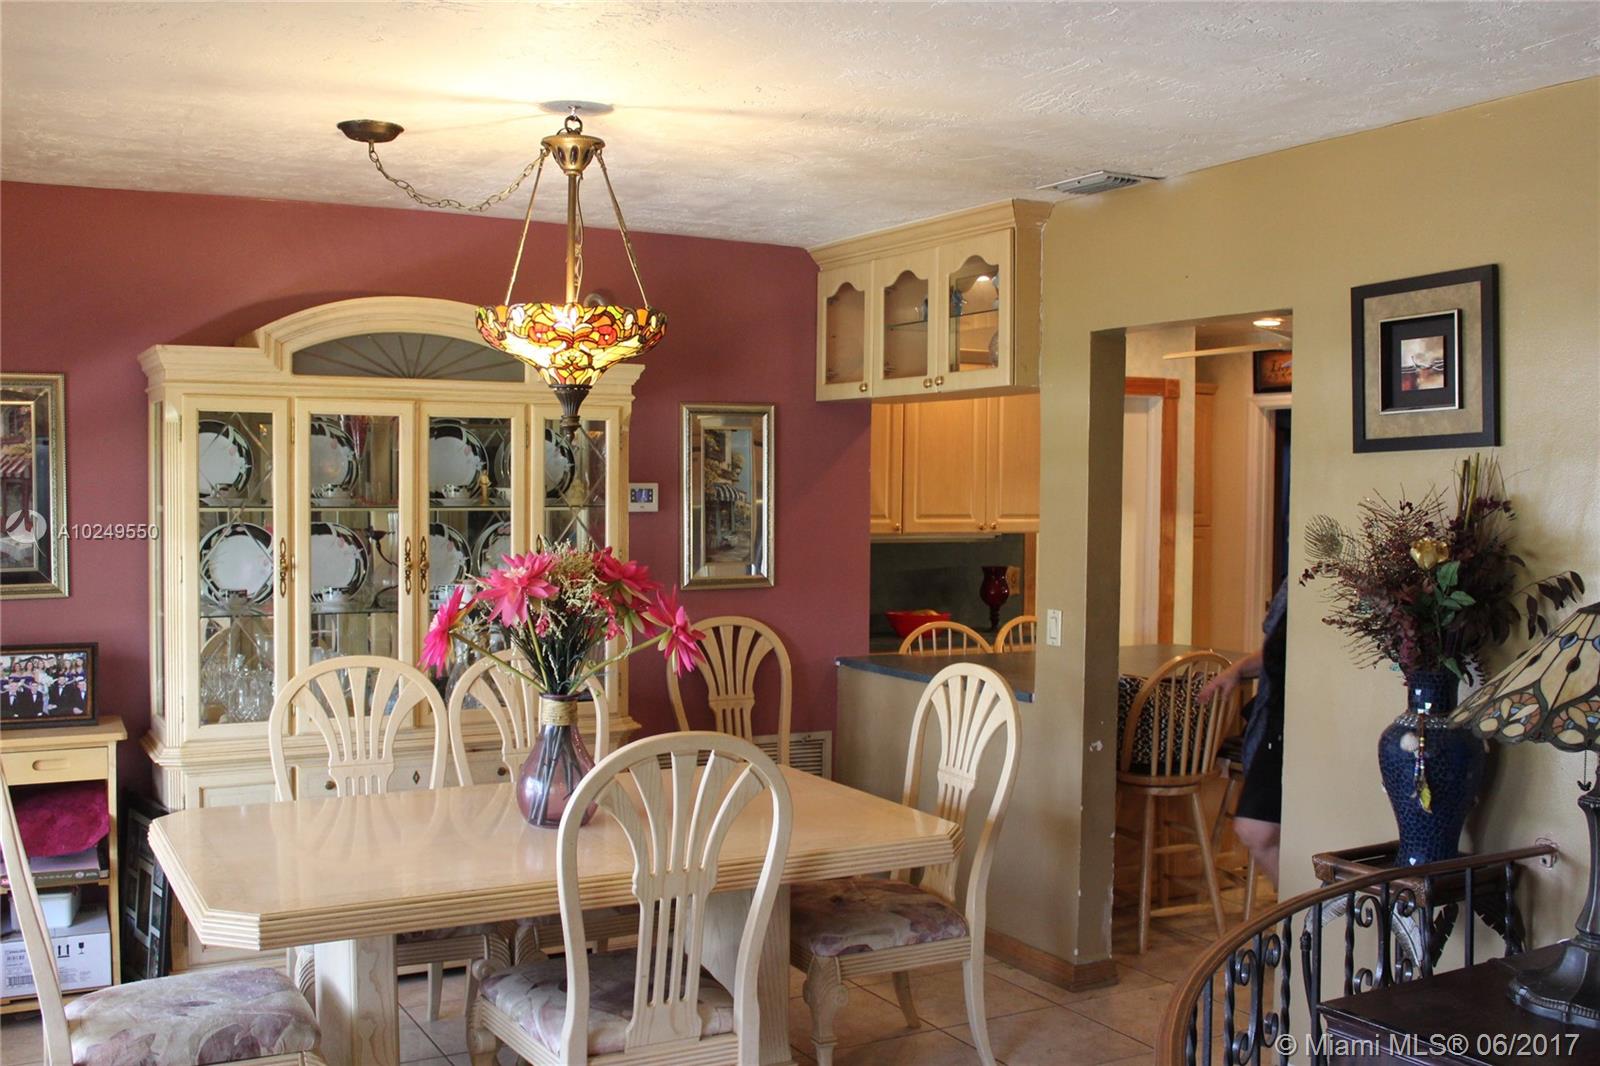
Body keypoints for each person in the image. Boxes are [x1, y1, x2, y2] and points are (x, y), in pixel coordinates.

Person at [1200, 579, 1287, 884]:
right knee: (1255, 829)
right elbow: (1275, 651)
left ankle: (1307, 907)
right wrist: (1236, 670)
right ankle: (1303, 906)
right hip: (1276, 716)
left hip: (1306, 718)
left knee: (1258, 828)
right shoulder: (1294, 585)